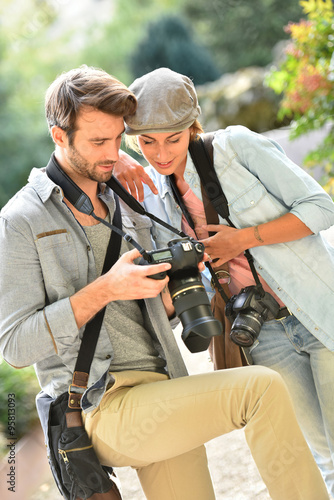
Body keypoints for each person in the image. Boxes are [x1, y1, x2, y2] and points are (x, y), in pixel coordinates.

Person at [0, 65, 329, 500]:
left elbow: (159, 307)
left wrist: (176, 295)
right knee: (261, 389)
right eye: (99, 142)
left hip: (163, 387)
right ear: (59, 137)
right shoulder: (22, 220)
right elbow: (14, 345)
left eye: (118, 139)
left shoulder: (130, 200)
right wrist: (107, 288)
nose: (111, 152)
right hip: (101, 402)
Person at [117, 66, 334, 496]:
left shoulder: (236, 146)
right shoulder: (155, 196)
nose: (160, 154)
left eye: (172, 139)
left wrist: (244, 239)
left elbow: (320, 208)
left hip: (316, 309)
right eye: (146, 142)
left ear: (191, 125)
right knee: (320, 452)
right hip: (262, 331)